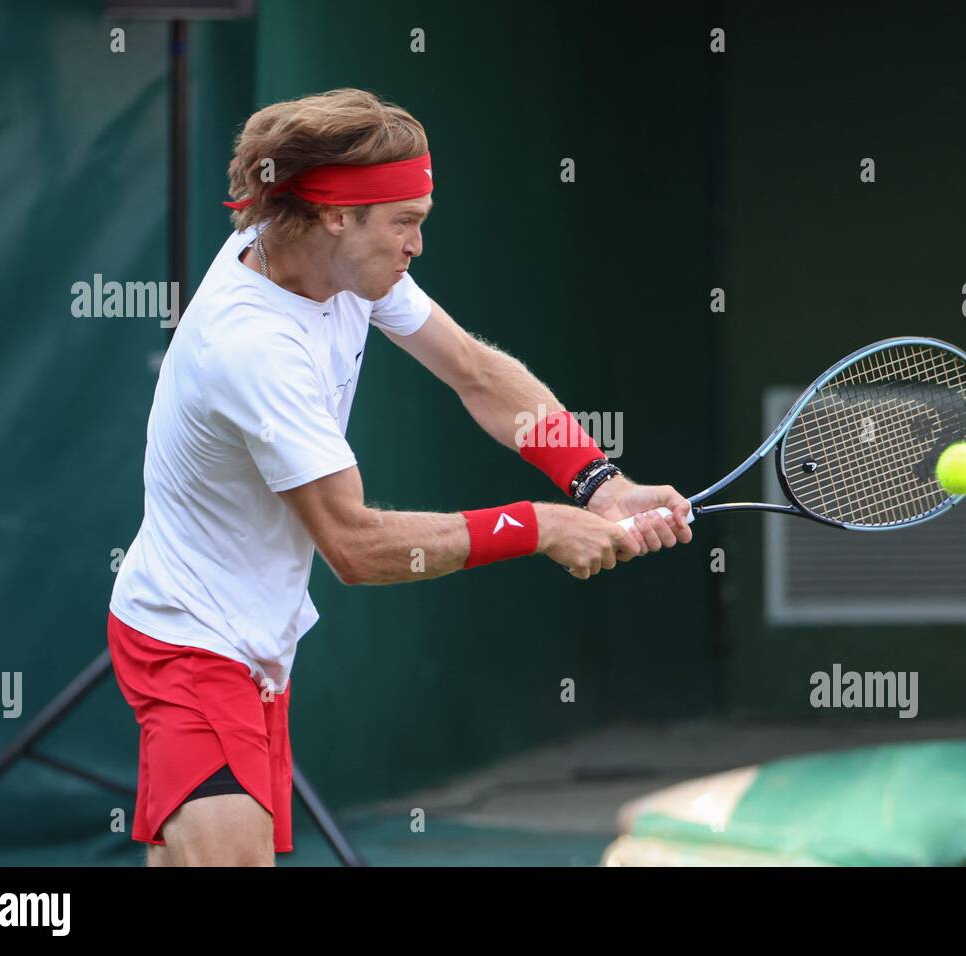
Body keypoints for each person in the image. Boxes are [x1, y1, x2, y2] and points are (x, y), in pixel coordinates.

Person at [107, 88, 693, 866]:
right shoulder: (253, 348)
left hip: (257, 640)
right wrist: (539, 525)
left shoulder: (335, 265)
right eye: (405, 222)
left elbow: (478, 375)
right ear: (335, 216)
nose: (417, 243)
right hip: (189, 641)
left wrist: (598, 484)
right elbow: (355, 546)